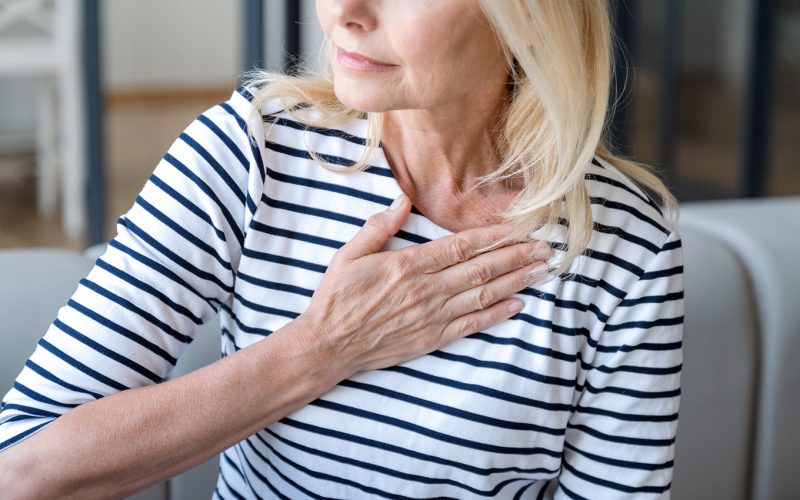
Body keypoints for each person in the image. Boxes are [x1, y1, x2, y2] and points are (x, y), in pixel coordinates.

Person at [0, 0, 684, 498]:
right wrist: (322, 349)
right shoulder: (249, 155)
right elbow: (22, 468)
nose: (348, 12)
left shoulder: (628, 245)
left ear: (530, 15)